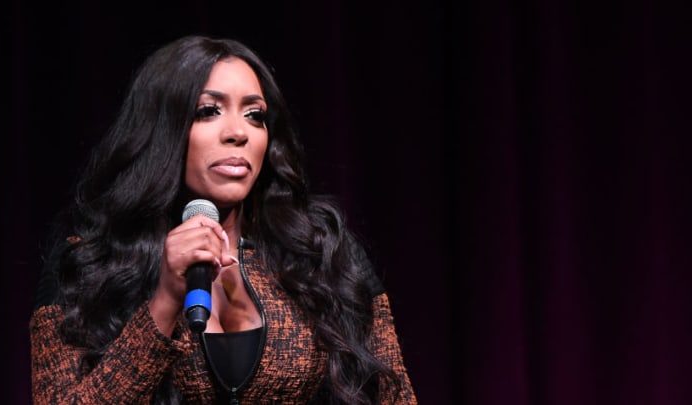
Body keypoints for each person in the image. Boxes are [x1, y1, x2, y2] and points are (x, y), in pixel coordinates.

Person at [29, 35, 417, 404]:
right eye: (208, 111)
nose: (238, 133)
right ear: (163, 129)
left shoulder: (318, 249)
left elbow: (394, 396)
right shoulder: (90, 260)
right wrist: (164, 302)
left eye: (255, 115)